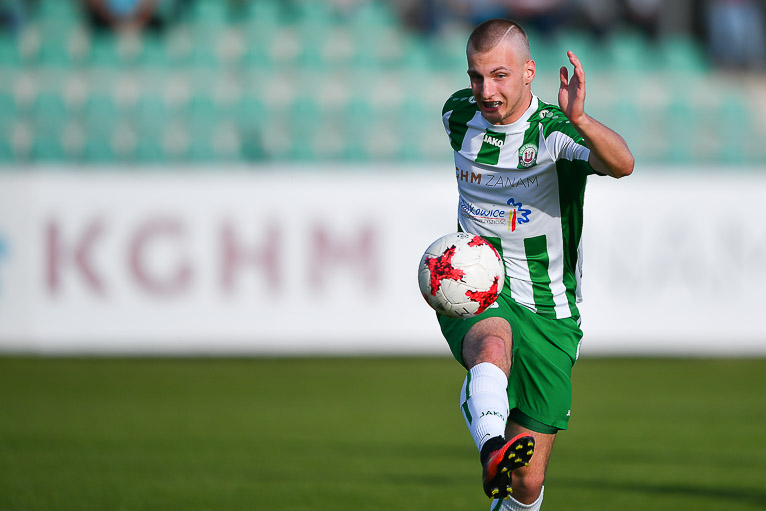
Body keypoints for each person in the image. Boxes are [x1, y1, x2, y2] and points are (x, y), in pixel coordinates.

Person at [438, 18, 634, 510]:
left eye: (499, 75)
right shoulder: (457, 114)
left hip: (550, 308)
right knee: (492, 346)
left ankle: (505, 469)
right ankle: (491, 447)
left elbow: (622, 164)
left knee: (526, 484)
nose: (486, 90)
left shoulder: (552, 132)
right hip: (476, 282)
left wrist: (581, 119)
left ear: (529, 72)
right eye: (476, 76)